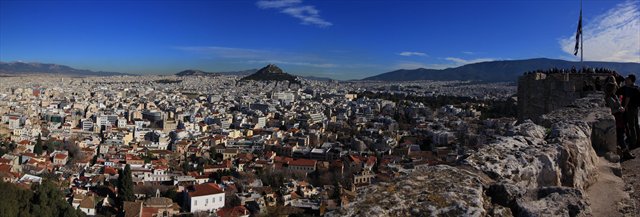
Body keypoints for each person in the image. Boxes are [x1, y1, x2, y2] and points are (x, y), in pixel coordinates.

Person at [606, 82, 635, 160]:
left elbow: (618, 105)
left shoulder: (614, 96)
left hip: (619, 117)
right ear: (612, 89)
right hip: (616, 118)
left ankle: (624, 152)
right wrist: (620, 109)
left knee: (621, 134)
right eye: (615, 88)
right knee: (620, 135)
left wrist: (621, 107)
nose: (616, 89)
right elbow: (612, 110)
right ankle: (626, 153)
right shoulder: (609, 98)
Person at [616, 74, 640, 149]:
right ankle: (638, 140)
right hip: (636, 108)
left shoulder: (629, 88)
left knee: (631, 126)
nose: (625, 80)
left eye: (627, 79)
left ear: (630, 80)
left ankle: (633, 142)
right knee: (636, 124)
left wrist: (624, 107)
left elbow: (628, 98)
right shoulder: (636, 87)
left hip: (630, 109)